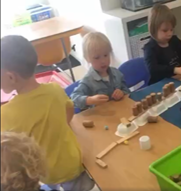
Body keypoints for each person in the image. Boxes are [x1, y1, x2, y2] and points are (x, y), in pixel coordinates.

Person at [0, 35, 95, 190]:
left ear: (11, 77)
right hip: (72, 163)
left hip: (43, 172)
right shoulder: (55, 90)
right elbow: (69, 111)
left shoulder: (5, 114)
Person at [71, 32, 131, 111]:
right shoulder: (88, 80)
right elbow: (74, 98)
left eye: (106, 55)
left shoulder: (116, 73)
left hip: (119, 112)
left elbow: (126, 90)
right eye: (97, 57)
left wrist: (122, 93)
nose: (103, 61)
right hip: (101, 117)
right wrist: (90, 100)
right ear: (87, 59)